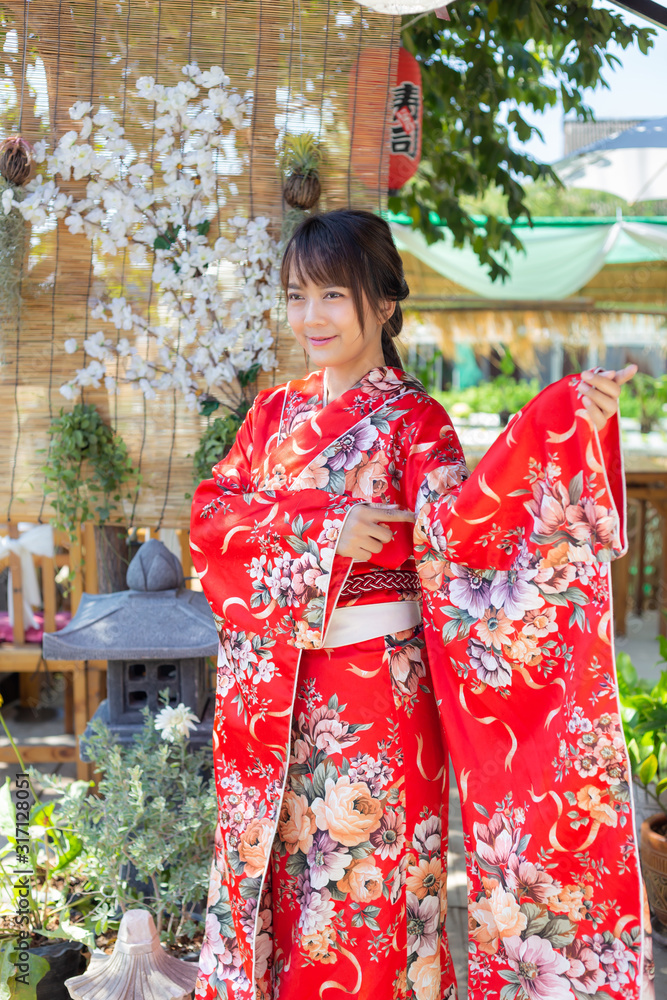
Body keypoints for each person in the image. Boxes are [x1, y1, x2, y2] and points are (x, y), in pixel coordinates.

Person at [190, 209, 653, 1000]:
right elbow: (210, 518)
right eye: (298, 297)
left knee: (370, 897)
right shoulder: (271, 415)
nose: (311, 317)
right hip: (270, 698)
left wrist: (549, 424)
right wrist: (327, 528)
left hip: (375, 695)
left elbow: (464, 533)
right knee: (277, 889)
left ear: (384, 303)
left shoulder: (415, 423)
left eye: (333, 295)